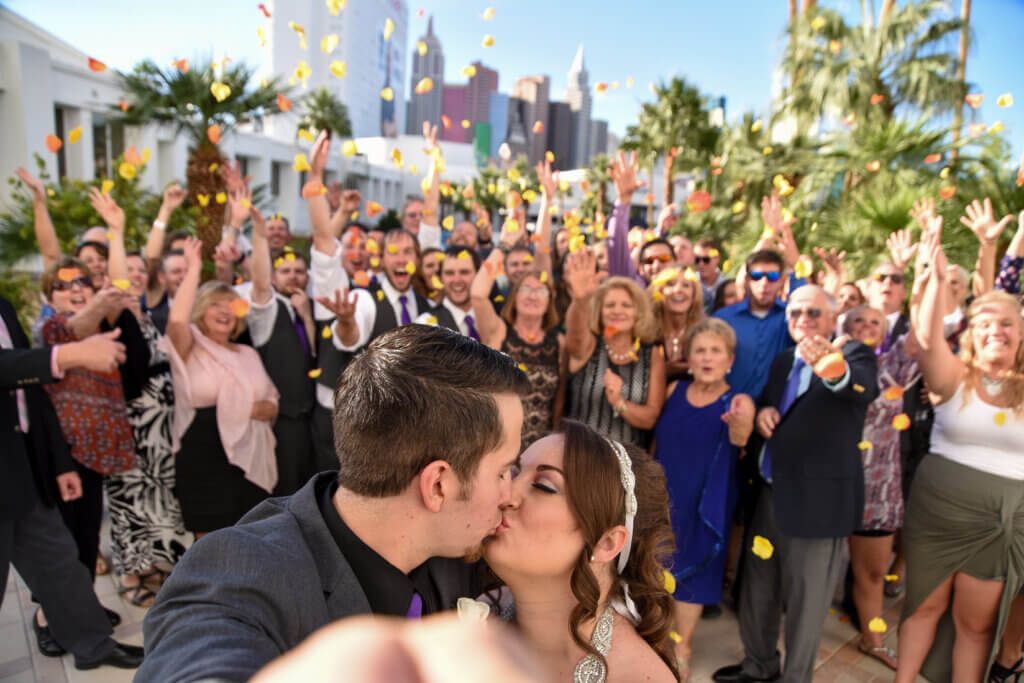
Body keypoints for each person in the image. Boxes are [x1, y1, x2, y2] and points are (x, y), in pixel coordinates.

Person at [138, 325, 529, 682]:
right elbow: (197, 661)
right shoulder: (240, 569)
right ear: (438, 485)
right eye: (502, 472)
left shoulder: (454, 548)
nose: (510, 495)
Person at [713, 284, 878, 683]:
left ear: (833, 317)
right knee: (757, 591)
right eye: (796, 313)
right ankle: (759, 665)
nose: (803, 320)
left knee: (807, 603)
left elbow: (860, 387)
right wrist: (766, 410)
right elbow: (775, 404)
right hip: (769, 494)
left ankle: (796, 677)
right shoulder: (783, 360)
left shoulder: (854, 354)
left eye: (813, 313)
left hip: (818, 505)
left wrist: (832, 366)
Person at [896, 218, 1024, 683]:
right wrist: (928, 271)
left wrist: (996, 246)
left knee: (976, 624)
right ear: (971, 330)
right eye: (985, 322)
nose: (996, 331)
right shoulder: (954, 377)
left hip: (999, 522)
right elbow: (928, 338)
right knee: (922, 606)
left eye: (1007, 323)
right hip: (938, 514)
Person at [0, 294, 146, 671]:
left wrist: (58, 464)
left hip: (22, 467)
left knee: (59, 565)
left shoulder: (3, 304)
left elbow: (28, 393)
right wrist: (68, 355)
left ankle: (93, 644)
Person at [483, 419, 680, 682]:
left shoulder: (637, 677)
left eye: (544, 486)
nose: (506, 494)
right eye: (514, 473)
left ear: (607, 542)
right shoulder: (474, 612)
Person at [91, 188, 190, 605]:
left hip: (159, 430)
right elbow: (121, 278)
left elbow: (150, 267)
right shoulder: (116, 314)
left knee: (156, 498)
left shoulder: (149, 315)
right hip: (130, 426)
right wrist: (116, 231)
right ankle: (132, 575)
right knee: (128, 500)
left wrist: (166, 213)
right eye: (125, 271)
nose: (133, 276)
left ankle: (156, 565)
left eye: (137, 272)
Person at [654, 319, 755, 678]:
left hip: (706, 499)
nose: (707, 357)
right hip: (665, 492)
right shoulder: (673, 391)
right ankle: (655, 637)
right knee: (655, 566)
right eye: (700, 350)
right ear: (689, 358)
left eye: (716, 351)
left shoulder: (738, 400)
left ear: (730, 359)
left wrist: (738, 422)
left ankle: (682, 645)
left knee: (692, 576)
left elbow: (742, 439)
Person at [159, 237, 279, 536]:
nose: (224, 311)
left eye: (230, 305)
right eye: (215, 304)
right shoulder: (190, 345)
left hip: (249, 455)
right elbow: (176, 320)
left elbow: (272, 400)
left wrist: (264, 409)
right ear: (201, 310)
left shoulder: (248, 353)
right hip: (204, 453)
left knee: (251, 534)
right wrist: (194, 269)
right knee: (210, 538)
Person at [40, 257, 144, 586]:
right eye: (64, 284)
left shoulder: (103, 328)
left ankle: (84, 612)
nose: (75, 289)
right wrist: (98, 300)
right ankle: (50, 621)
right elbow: (73, 330)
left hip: (97, 454)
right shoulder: (50, 328)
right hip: (66, 455)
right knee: (66, 545)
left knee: (86, 541)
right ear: (49, 297)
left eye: (82, 282)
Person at [841, 305, 920, 670]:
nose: (867, 326)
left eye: (876, 322)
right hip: (830, 482)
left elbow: (923, 332)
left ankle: (872, 638)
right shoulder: (830, 361)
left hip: (879, 486)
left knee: (873, 574)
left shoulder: (895, 365)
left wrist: (923, 280)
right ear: (845, 325)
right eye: (860, 320)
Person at [246, 201, 318, 496]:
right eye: (285, 271)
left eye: (299, 271)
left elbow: (314, 356)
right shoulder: (266, 312)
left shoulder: (311, 309)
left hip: (311, 423)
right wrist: (261, 238)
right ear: (275, 278)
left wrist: (307, 318)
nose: (293, 276)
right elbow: (260, 286)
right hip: (280, 424)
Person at [472, 228, 567, 448]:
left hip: (539, 449)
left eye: (541, 291)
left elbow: (558, 401)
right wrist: (503, 245)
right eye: (526, 289)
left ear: (549, 303)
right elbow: (477, 294)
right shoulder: (498, 331)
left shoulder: (558, 343)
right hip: (494, 445)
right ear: (514, 298)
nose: (533, 295)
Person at [564, 250, 666, 449]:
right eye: (610, 305)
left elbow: (650, 418)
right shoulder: (589, 346)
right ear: (599, 312)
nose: (618, 311)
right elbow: (574, 338)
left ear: (638, 313)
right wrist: (582, 300)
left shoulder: (652, 355)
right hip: (580, 458)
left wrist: (619, 402)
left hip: (627, 467)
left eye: (626, 305)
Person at [650, 267, 705, 382]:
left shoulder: (705, 333)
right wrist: (664, 371)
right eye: (670, 284)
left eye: (686, 285)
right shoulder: (645, 334)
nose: (678, 290)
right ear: (659, 292)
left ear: (694, 294)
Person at [415, 246, 481, 338]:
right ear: (441, 278)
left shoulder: (492, 318)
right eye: (449, 273)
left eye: (464, 272)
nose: (457, 280)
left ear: (478, 275)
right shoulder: (426, 326)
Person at [694, 238, 729, 312]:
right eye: (697, 260)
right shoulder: (690, 282)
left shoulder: (726, 285)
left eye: (706, 259)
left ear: (717, 258)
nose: (701, 264)